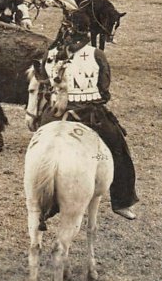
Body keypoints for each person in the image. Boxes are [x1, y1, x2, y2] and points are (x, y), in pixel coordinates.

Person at [41, 12, 139, 220]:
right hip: (91, 114)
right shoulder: (97, 54)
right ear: (87, 31)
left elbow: (45, 80)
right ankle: (122, 201)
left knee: (40, 147)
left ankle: (45, 201)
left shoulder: (51, 53)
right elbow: (104, 88)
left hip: (57, 113)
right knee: (119, 150)